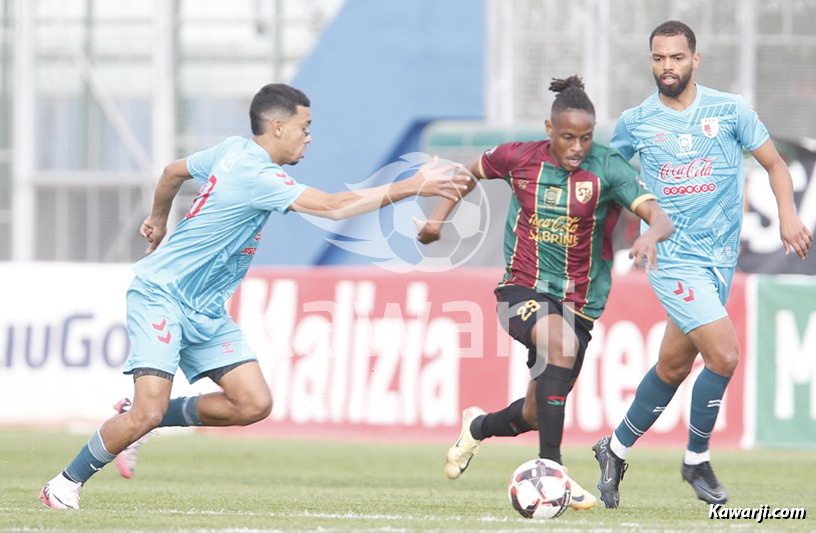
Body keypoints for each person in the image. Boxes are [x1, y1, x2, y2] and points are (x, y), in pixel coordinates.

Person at [38, 83, 469, 510]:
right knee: (147, 414)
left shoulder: (230, 150)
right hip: (161, 295)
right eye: (305, 126)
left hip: (204, 309)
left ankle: (142, 414)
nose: (310, 136)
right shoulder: (258, 174)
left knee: (252, 403)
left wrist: (158, 219)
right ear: (278, 127)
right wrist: (413, 185)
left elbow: (172, 172)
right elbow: (335, 206)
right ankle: (63, 484)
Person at [417, 76, 674, 511]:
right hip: (521, 289)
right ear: (549, 129)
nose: (577, 147)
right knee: (559, 342)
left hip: (581, 304)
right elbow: (468, 173)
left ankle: (476, 428)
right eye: (568, 137)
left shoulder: (607, 167)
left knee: (536, 414)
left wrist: (650, 237)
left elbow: (658, 215)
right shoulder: (519, 157)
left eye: (586, 138)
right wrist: (437, 220)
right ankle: (553, 471)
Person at [592, 21, 813, 509]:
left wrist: (788, 216)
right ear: (650, 61)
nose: (667, 67)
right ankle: (696, 458)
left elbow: (775, 164)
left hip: (720, 260)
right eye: (658, 58)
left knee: (673, 365)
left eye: (676, 57)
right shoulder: (636, 121)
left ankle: (615, 447)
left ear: (695, 59)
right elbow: (608, 176)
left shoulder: (730, 110)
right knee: (725, 355)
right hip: (673, 261)